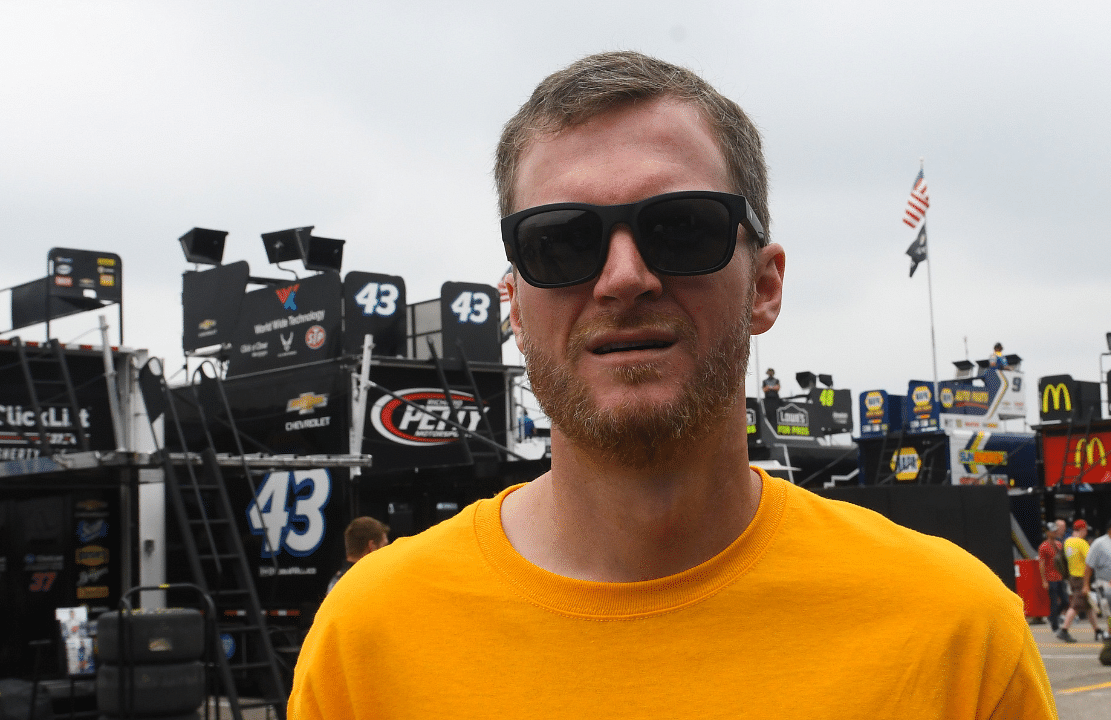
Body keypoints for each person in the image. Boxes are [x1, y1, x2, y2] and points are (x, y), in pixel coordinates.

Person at [290, 51, 1055, 719]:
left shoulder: (958, 634)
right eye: (561, 241)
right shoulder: (368, 642)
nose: (624, 278)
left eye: (682, 227)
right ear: (514, 307)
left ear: (765, 285)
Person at [325, 516, 389, 596]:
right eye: (385, 545)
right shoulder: (373, 586)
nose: (387, 551)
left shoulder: (336, 583)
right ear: (372, 546)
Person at [1058, 519, 1100, 642]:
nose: (1086, 532)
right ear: (1082, 529)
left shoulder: (1067, 542)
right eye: (1086, 529)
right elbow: (1090, 560)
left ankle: (1097, 630)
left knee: (1088, 606)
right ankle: (1064, 630)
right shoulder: (1082, 543)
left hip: (1072, 576)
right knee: (1076, 605)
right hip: (1081, 577)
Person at [1037, 521, 1068, 633]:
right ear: (1047, 532)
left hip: (1060, 577)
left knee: (1065, 601)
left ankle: (1052, 617)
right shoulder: (1043, 547)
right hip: (1051, 579)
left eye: (1055, 530)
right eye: (1052, 531)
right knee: (1053, 603)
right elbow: (1042, 564)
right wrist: (1044, 580)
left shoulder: (1059, 544)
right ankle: (1055, 626)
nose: (1055, 532)